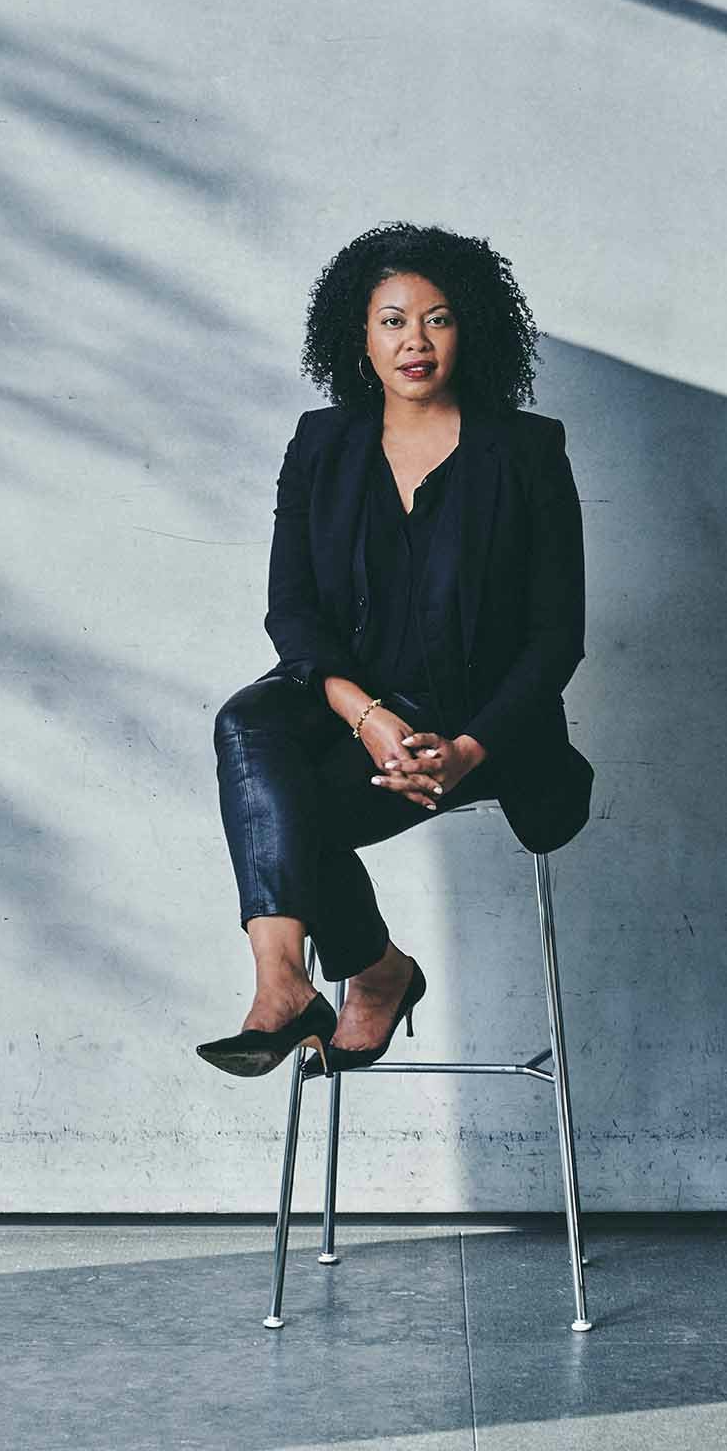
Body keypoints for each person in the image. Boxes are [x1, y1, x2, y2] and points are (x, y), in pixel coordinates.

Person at [196, 220, 594, 1081]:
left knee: (291, 811)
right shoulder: (322, 444)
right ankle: (283, 981)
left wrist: (469, 750)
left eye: (438, 318)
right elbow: (291, 610)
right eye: (392, 321)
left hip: (482, 722)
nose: (415, 340)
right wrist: (366, 715)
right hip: (355, 705)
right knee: (246, 723)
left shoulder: (527, 451)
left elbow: (556, 637)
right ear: (360, 336)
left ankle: (374, 971)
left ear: (471, 329)